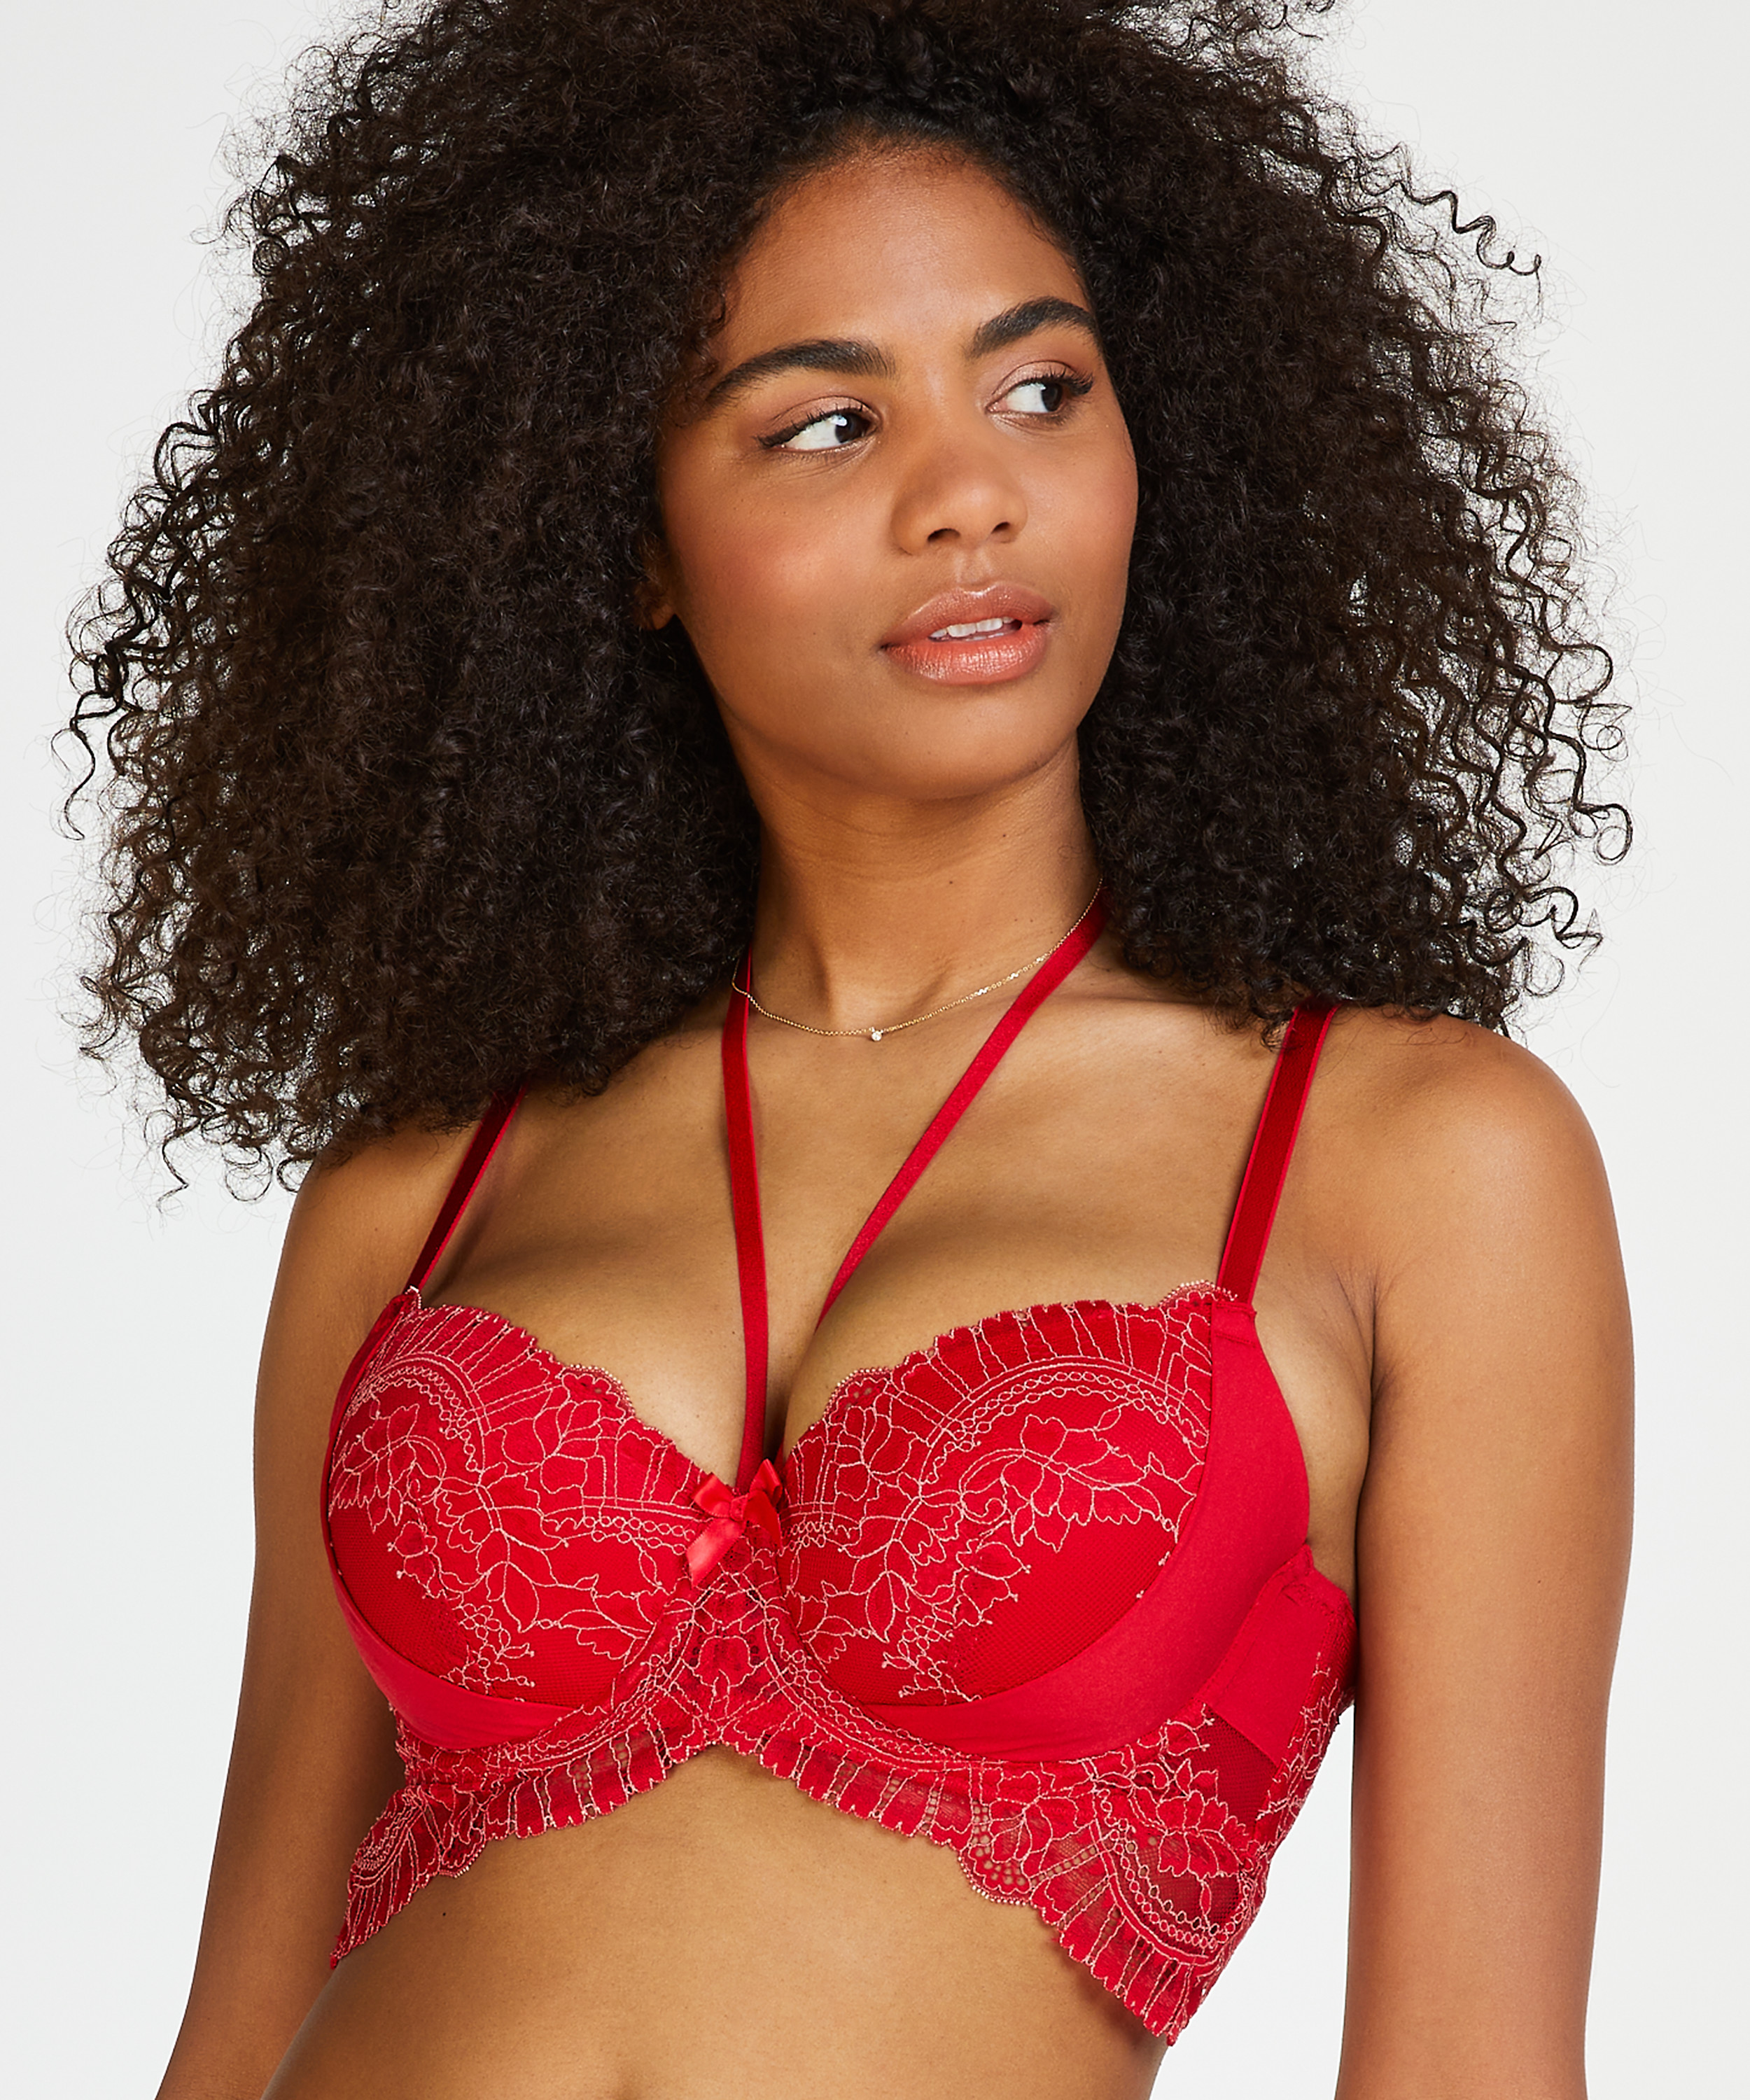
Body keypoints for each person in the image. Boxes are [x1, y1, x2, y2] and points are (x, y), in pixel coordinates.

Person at [67, 2, 1632, 2094]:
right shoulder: (419, 1192)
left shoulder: (1413, 1158)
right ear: (624, 537)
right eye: (826, 424)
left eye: (1041, 389)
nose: (970, 495)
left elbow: (1472, 2062)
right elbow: (239, 2024)